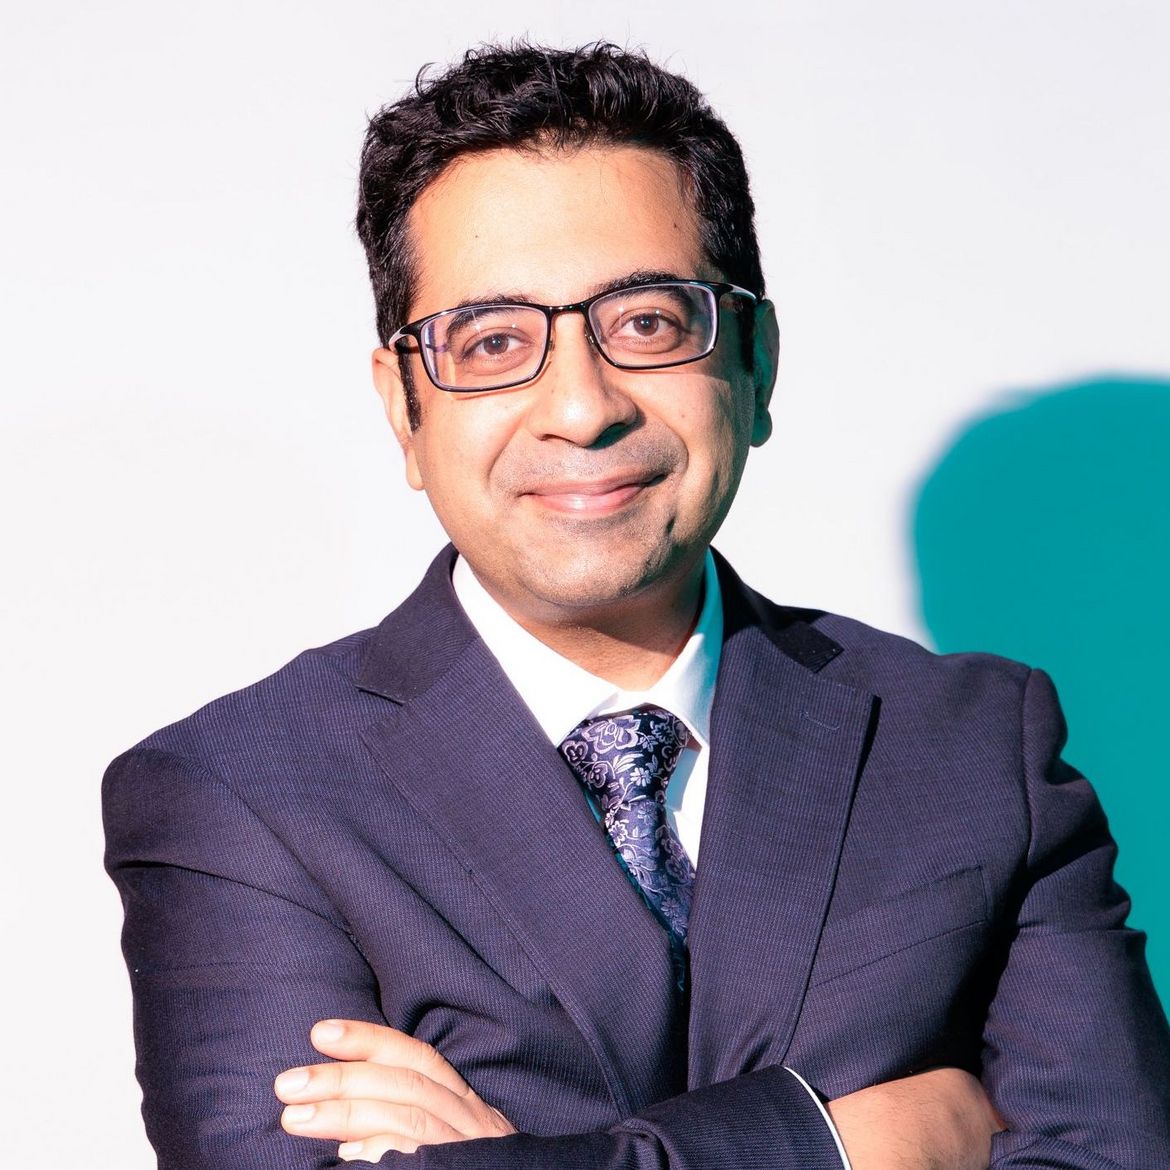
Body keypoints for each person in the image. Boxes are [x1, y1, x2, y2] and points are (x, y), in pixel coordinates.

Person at [103, 42, 1170, 1170]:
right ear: (404, 411)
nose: (580, 407)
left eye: (649, 323)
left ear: (756, 366)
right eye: (494, 342)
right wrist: (841, 1141)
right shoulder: (242, 795)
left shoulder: (972, 746)